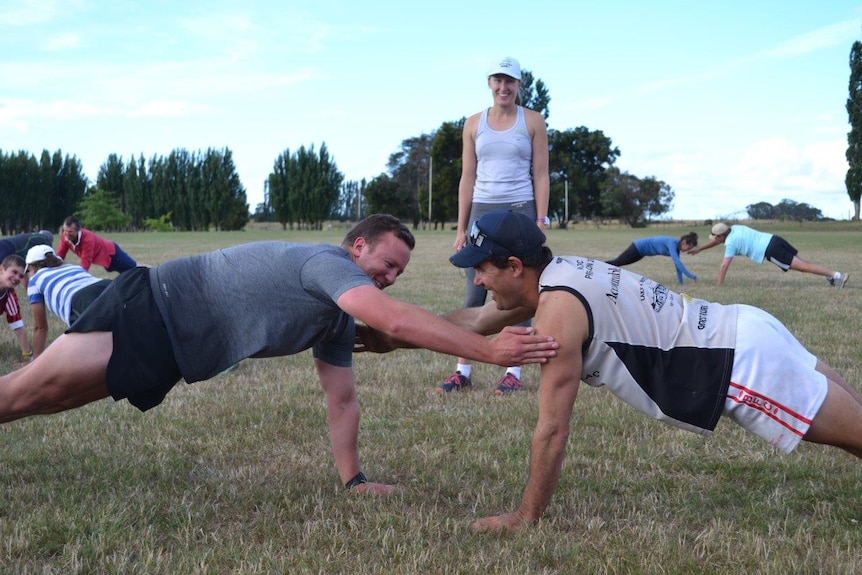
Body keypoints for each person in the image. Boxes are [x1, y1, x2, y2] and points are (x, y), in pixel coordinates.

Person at [356, 210, 862, 531]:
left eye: (482, 268)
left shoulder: (558, 310)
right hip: (748, 327)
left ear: (513, 266)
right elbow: (475, 321)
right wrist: (395, 335)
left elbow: (552, 428)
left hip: (740, 364)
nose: (477, 279)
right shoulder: (558, 275)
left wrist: (524, 517)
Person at [0, 214, 557, 494]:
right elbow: (393, 320)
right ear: (357, 246)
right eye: (386, 265)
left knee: (41, 403)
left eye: (398, 274)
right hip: (148, 310)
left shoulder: (334, 316)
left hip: (170, 352)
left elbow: (341, 400)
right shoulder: (326, 264)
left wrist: (354, 481)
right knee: (25, 392)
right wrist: (486, 350)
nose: (389, 279)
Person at [440, 55, 550, 395]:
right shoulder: (473, 123)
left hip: (520, 208)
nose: (503, 87)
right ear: (490, 83)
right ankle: (463, 370)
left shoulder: (532, 121)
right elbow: (467, 177)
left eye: (510, 81)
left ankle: (513, 372)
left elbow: (542, 173)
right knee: (476, 289)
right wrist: (461, 228)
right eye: (497, 80)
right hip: (482, 209)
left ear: (519, 85)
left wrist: (541, 219)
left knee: (519, 290)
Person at [688, 222, 848, 288]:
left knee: (803, 267)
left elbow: (724, 266)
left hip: (771, 250)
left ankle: (836, 275)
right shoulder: (735, 228)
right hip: (775, 239)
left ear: (721, 236)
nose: (715, 240)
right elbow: (717, 241)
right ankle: (832, 276)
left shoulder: (730, 243)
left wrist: (719, 287)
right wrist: (700, 249)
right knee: (804, 263)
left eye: (716, 237)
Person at [25, 244, 112, 359]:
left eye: (29, 270)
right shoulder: (73, 267)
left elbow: (40, 327)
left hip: (81, 297)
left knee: (99, 349)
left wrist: (35, 359)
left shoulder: (35, 280)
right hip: (108, 285)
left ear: (33, 267)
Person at [606, 233, 699, 285]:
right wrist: (691, 276)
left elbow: (677, 267)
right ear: (684, 242)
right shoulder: (672, 243)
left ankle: (601, 267)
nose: (688, 250)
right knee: (617, 262)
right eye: (689, 247)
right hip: (638, 247)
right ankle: (598, 266)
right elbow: (678, 263)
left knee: (618, 263)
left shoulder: (676, 249)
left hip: (641, 253)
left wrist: (681, 284)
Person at [55, 216, 138, 273]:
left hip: (112, 254)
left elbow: (85, 263)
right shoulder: (65, 237)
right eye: (65, 230)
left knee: (134, 270)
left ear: (78, 230)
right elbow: (60, 254)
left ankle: (150, 271)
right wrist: (54, 264)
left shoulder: (88, 239)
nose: (66, 234)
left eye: (70, 232)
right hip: (103, 260)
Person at [0, 255, 32, 362]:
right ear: (1, 269)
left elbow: (18, 327)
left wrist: (27, 356)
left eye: (21, 276)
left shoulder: (9, 295)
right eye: (14, 272)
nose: (17, 278)